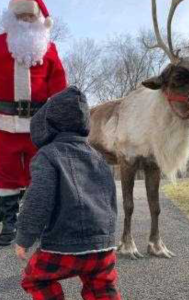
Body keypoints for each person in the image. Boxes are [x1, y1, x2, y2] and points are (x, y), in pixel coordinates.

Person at [0, 0, 67, 246]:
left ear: (39, 20)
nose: (25, 20)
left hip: (39, 125)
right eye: (20, 15)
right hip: (4, 123)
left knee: (40, 173)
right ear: (11, 17)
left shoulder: (49, 48)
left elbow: (58, 86)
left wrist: (61, 115)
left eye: (29, 16)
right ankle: (10, 223)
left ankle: (38, 222)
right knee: (6, 172)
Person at [15, 86, 121, 300]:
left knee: (35, 278)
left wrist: (24, 238)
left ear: (47, 124)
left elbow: (38, 201)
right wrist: (108, 236)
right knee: (100, 285)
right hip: (103, 246)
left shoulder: (48, 155)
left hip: (63, 246)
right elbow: (109, 200)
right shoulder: (98, 156)